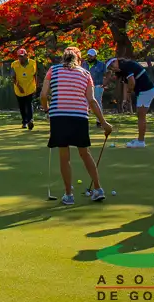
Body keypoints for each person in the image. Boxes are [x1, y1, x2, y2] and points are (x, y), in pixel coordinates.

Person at [40, 47, 113, 205]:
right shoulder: (86, 74)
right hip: (80, 117)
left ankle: (68, 195)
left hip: (58, 117)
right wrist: (104, 122)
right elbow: (92, 101)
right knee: (84, 153)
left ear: (63, 58)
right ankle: (98, 189)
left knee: (64, 157)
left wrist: (47, 110)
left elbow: (43, 95)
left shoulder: (53, 70)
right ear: (79, 60)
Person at [107, 57, 154, 148]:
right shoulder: (122, 70)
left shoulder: (126, 66)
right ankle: (140, 139)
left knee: (141, 116)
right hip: (143, 91)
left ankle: (141, 142)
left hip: (146, 90)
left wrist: (129, 93)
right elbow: (127, 85)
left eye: (112, 65)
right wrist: (125, 99)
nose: (112, 68)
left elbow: (132, 83)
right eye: (110, 68)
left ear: (116, 61)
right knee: (140, 115)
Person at [12, 49, 38, 130]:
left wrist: (36, 85)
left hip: (30, 87)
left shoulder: (33, 63)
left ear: (26, 56)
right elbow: (13, 78)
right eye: (19, 57)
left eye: (22, 56)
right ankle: (24, 122)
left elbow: (35, 75)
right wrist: (19, 87)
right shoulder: (14, 64)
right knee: (22, 106)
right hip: (19, 89)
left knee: (29, 103)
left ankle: (30, 120)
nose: (20, 58)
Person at [85, 49, 107, 126]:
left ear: (95, 56)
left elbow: (107, 74)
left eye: (91, 56)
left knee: (98, 103)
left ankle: (99, 121)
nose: (89, 57)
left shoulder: (101, 64)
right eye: (88, 55)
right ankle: (84, 119)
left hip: (98, 86)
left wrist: (105, 83)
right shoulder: (84, 64)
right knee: (85, 103)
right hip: (86, 86)